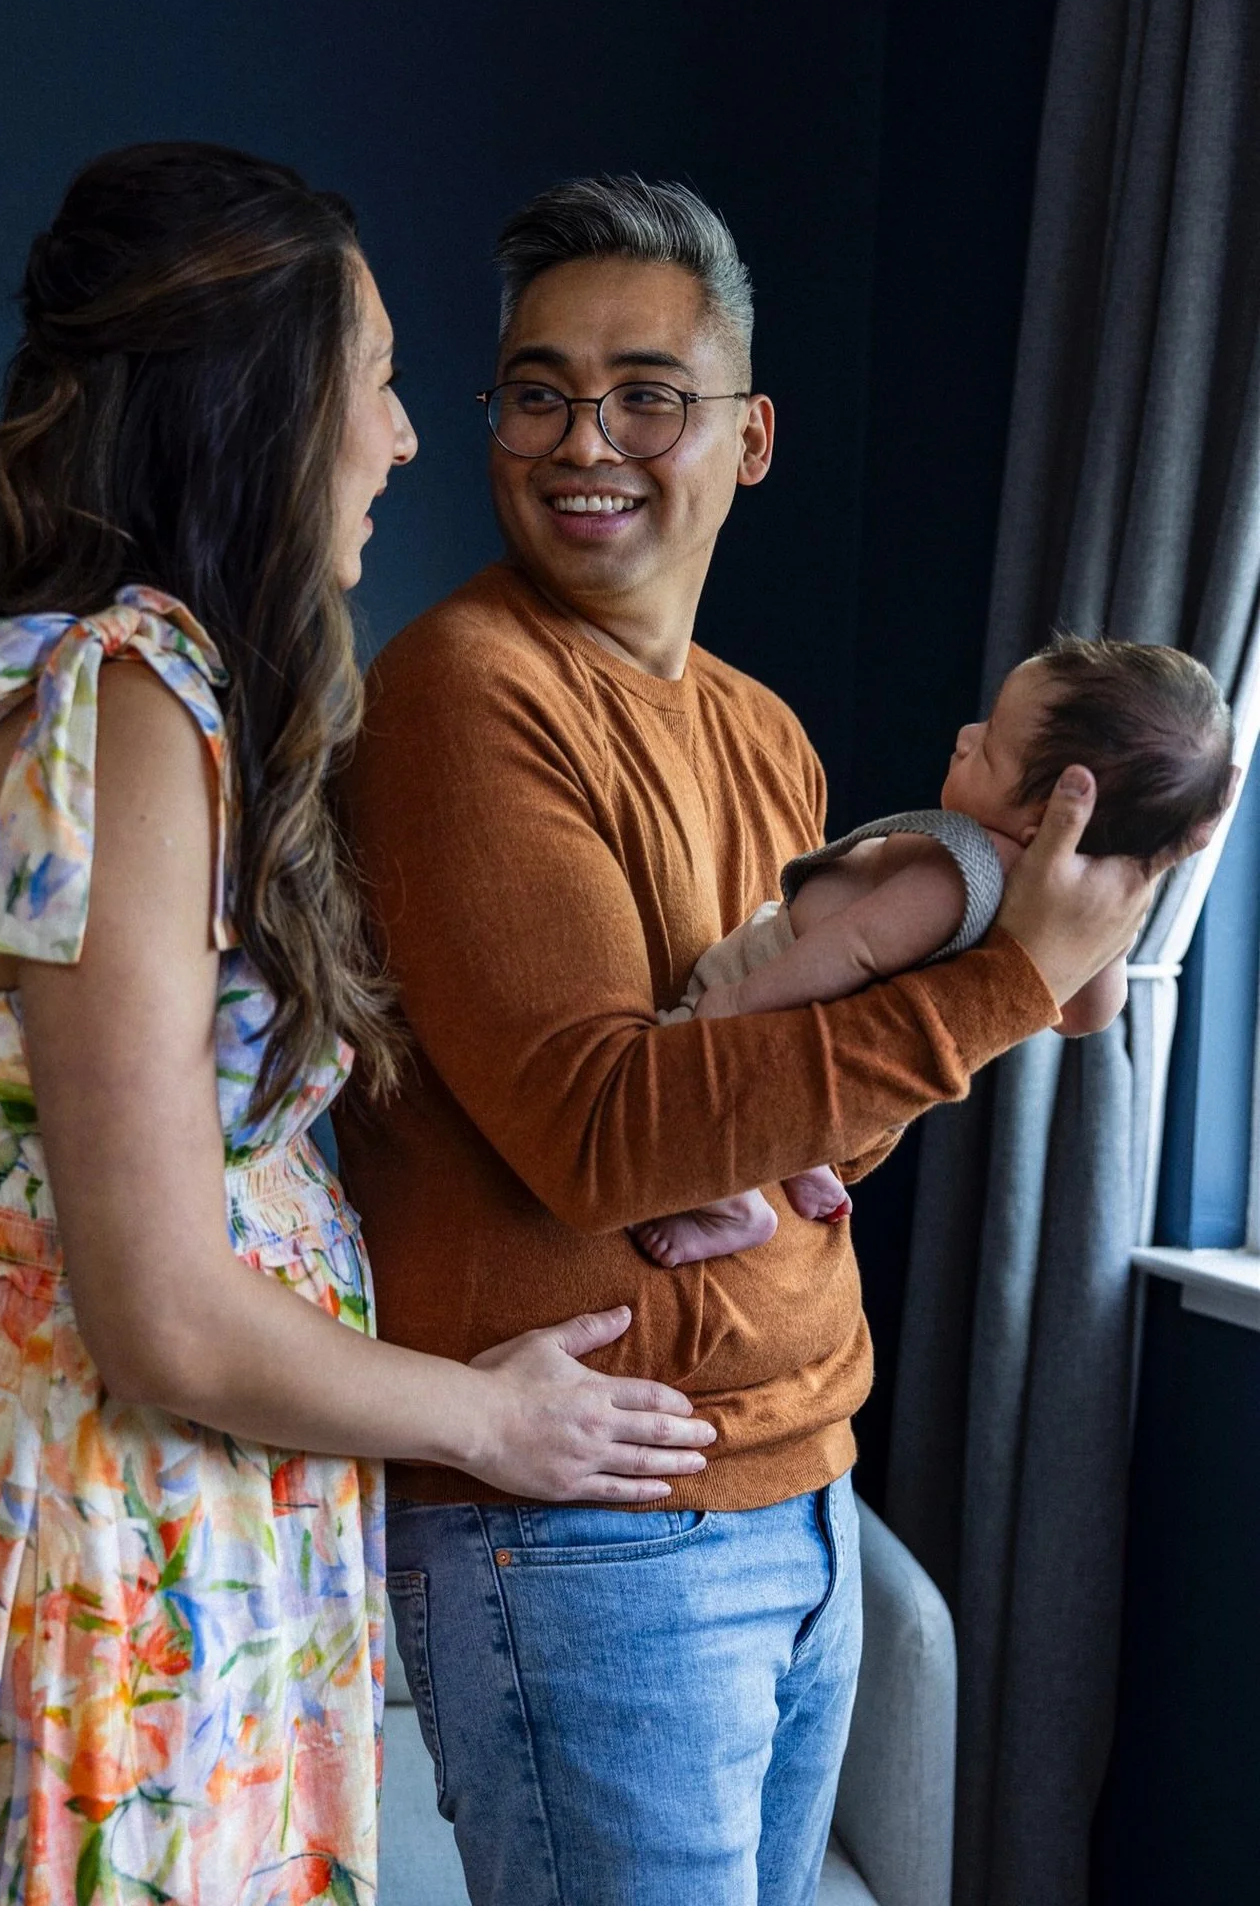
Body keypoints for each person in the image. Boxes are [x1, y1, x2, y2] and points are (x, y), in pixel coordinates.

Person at [0, 145, 715, 1906]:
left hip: (99, 1494)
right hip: (114, 1514)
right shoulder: (129, 705)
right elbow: (156, 1310)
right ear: (261, 400)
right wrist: (483, 1419)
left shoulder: (78, 685)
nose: (397, 436)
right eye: (372, 380)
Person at [333, 175, 1191, 1906]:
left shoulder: (765, 735)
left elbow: (834, 1121)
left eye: (650, 393)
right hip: (587, 1532)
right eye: (537, 389)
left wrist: (974, 1011)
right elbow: (605, 1134)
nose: (589, 439)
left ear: (755, 437)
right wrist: (1011, 985)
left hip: (802, 1495)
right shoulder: (463, 693)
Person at [634, 634, 1237, 1266]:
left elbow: (856, 950)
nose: (967, 735)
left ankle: (735, 1207)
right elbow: (1084, 1014)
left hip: (777, 977)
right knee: (769, 1095)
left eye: (993, 748)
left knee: (684, 1081)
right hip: (835, 1058)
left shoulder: (961, 866)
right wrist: (1109, 942)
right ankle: (799, 1157)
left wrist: (744, 997)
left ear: (1046, 818)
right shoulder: (1038, 912)